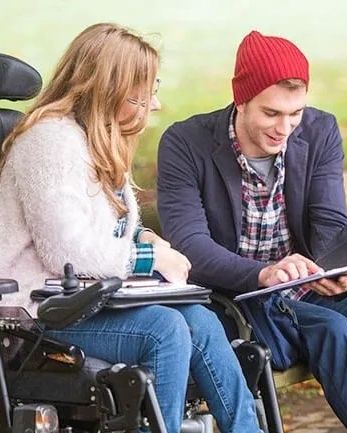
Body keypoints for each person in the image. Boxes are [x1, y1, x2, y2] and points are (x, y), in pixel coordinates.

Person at [157, 30, 347, 433]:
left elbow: (328, 224)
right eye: (271, 113)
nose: (284, 128)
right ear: (241, 98)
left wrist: (344, 265)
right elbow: (190, 246)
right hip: (241, 299)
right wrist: (262, 273)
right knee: (333, 330)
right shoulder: (186, 143)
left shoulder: (318, 131)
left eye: (295, 113)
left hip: (308, 288)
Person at [0, 23, 262, 433]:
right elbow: (64, 251)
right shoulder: (49, 141)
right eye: (146, 92)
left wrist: (144, 238)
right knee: (165, 330)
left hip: (85, 302)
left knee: (201, 319)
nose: (155, 105)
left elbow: (107, 228)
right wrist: (149, 257)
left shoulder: (95, 138)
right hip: (32, 317)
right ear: (111, 88)